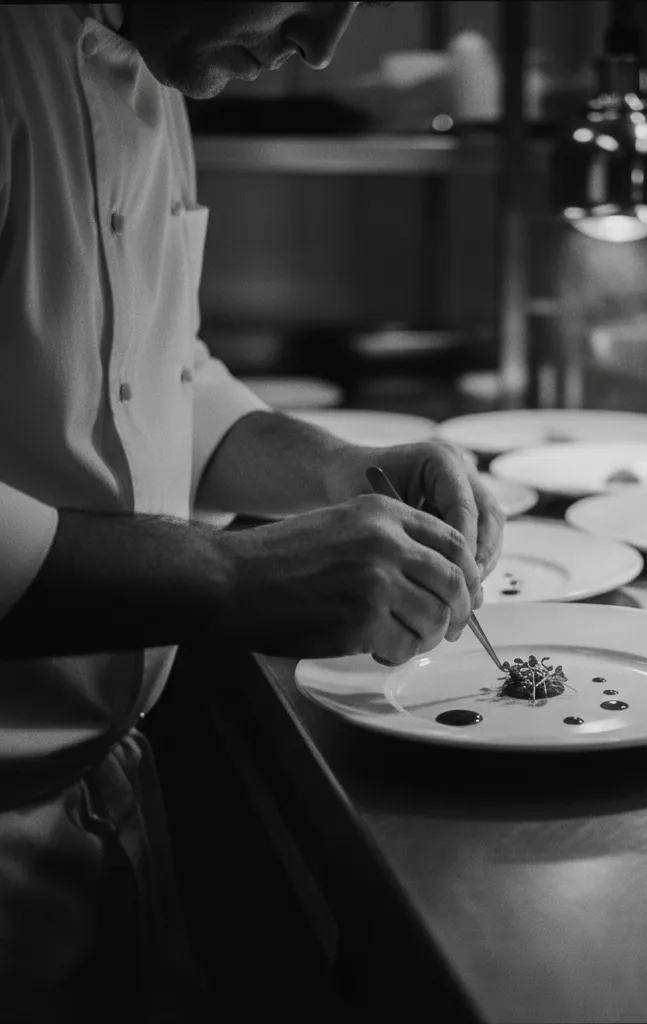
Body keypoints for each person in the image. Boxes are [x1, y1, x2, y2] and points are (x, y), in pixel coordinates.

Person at [0, 3, 504, 1020]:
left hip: (97, 797)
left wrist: (338, 469)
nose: (317, 47)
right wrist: (231, 575)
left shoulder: (161, 61)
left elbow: (152, 377)